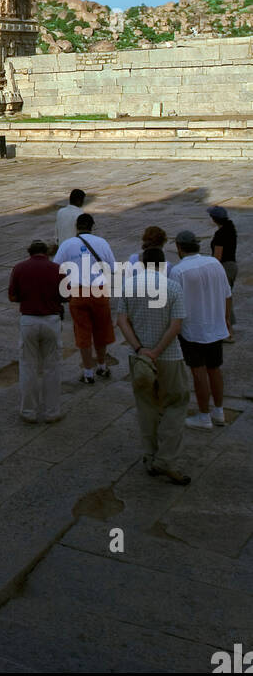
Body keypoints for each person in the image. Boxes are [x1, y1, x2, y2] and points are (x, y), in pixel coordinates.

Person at [115, 247, 190, 485]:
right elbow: (176, 326)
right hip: (168, 357)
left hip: (139, 359)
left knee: (146, 405)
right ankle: (166, 459)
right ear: (162, 264)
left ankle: (150, 456)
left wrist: (140, 349)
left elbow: (122, 321)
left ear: (142, 263)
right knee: (175, 404)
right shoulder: (173, 286)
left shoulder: (129, 286)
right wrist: (157, 351)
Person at [172, 229, 231, 431]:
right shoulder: (214, 263)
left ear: (179, 248)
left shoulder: (178, 271)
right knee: (215, 369)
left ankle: (204, 416)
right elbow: (227, 294)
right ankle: (219, 412)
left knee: (198, 373)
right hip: (215, 325)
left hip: (193, 329)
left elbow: (174, 304)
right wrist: (226, 320)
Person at [55, 213, 117, 383]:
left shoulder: (67, 244)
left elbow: (56, 267)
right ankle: (102, 366)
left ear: (77, 226)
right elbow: (112, 267)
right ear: (93, 226)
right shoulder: (102, 243)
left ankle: (88, 372)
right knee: (101, 329)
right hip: (99, 291)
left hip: (77, 291)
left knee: (82, 331)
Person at [8, 240, 65, 423]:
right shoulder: (57, 268)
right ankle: (52, 412)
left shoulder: (19, 268)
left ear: (29, 252)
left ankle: (28, 411)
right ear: (46, 253)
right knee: (52, 368)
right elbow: (67, 296)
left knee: (28, 367)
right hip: (51, 320)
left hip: (28, 321)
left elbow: (12, 296)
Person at [207, 205, 238, 341]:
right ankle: (228, 328)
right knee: (227, 297)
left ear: (214, 219)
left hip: (224, 268)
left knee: (221, 299)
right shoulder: (230, 229)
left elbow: (217, 257)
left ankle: (228, 332)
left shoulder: (220, 234)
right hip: (232, 266)